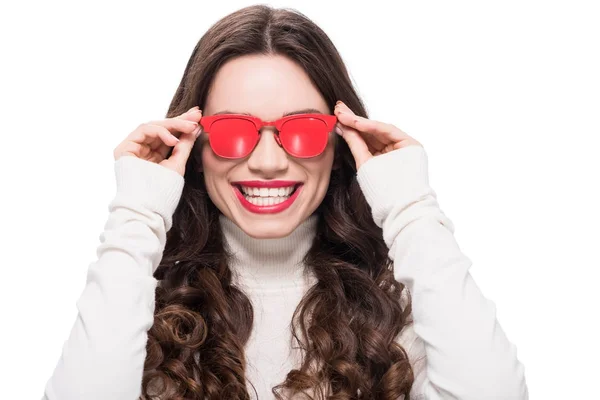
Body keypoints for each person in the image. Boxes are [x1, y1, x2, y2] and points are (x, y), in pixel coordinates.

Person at [41, 5, 528, 400]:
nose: (269, 162)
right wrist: (137, 212)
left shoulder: (404, 305)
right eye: (233, 131)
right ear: (194, 148)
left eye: (302, 130)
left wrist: (411, 206)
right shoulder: (135, 301)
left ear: (340, 147)